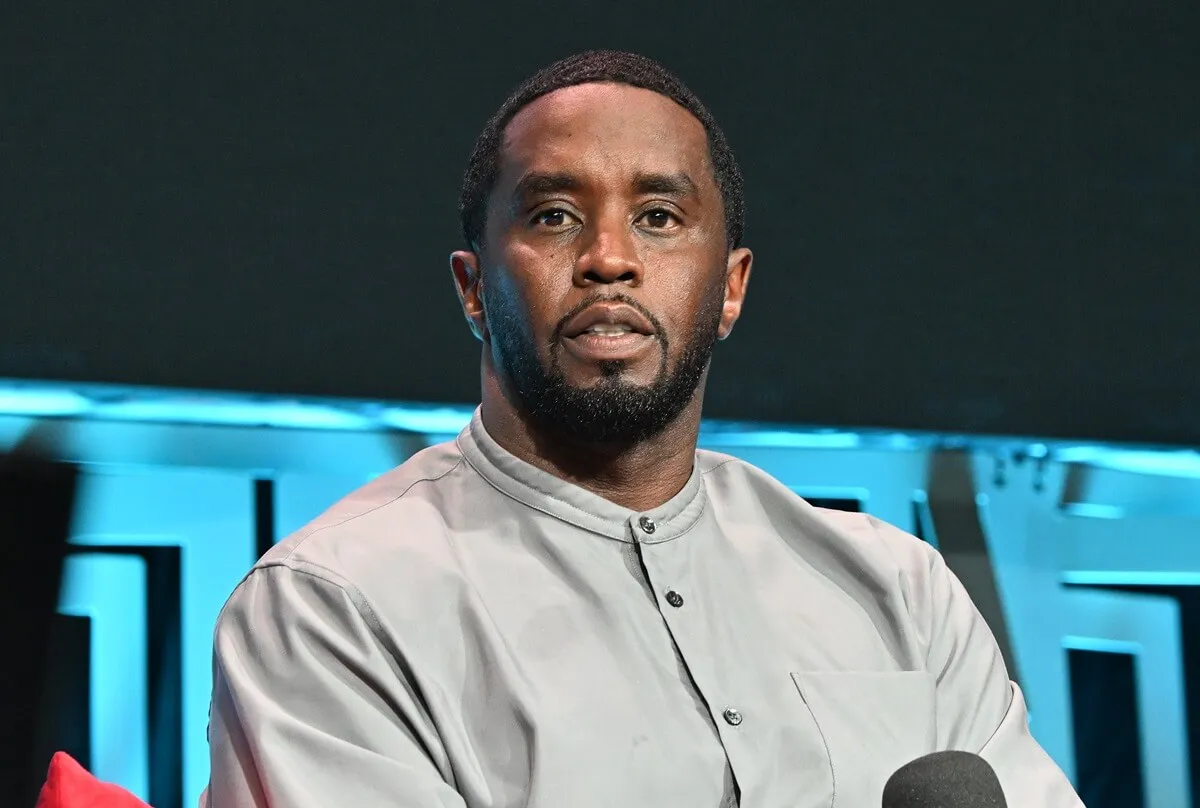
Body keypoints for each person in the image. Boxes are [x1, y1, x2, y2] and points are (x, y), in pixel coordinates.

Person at [205, 50, 1084, 807]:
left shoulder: (899, 593)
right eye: (554, 216)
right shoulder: (335, 604)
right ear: (473, 288)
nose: (609, 258)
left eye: (659, 217)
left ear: (731, 287)